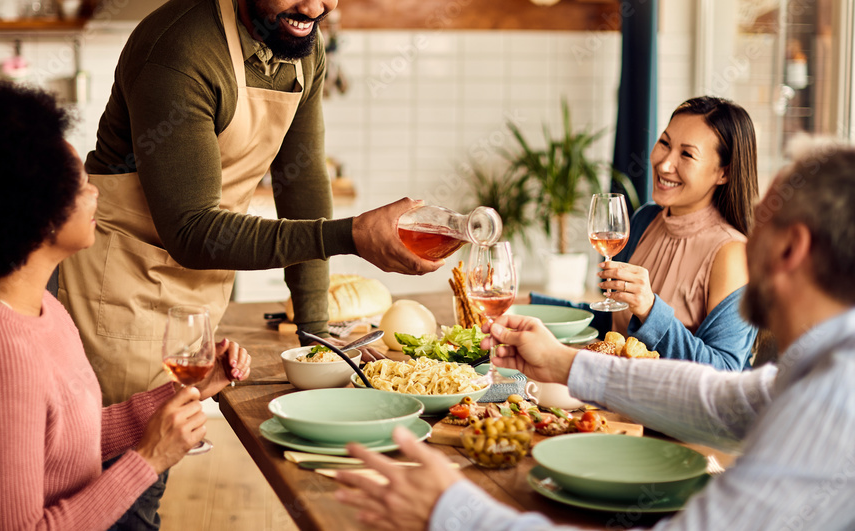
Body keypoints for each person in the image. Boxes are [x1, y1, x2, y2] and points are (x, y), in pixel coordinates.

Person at [334, 140, 855, 531]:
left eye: (759, 227)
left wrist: (452, 511)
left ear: (792, 250)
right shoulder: (825, 365)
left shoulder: (834, 401)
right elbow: (724, 402)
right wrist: (565, 364)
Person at [57, 0, 439, 410]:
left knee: (157, 470)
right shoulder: (181, 53)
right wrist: (350, 234)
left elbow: (301, 179)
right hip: (122, 292)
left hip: (198, 295)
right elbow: (190, 231)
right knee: (119, 473)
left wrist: (315, 332)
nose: (314, 6)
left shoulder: (302, 46)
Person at [0, 82, 251, 530]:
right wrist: (148, 460)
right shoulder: (1, 358)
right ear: (36, 214)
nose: (95, 191)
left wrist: (182, 391)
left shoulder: (30, 305)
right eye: (79, 182)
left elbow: (66, 437)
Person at [525, 96, 758, 369]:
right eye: (664, 143)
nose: (664, 163)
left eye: (686, 154)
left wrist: (649, 308)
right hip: (612, 400)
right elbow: (613, 323)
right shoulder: (646, 219)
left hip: (669, 410)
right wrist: (529, 305)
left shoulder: (731, 254)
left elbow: (724, 373)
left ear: (724, 173)